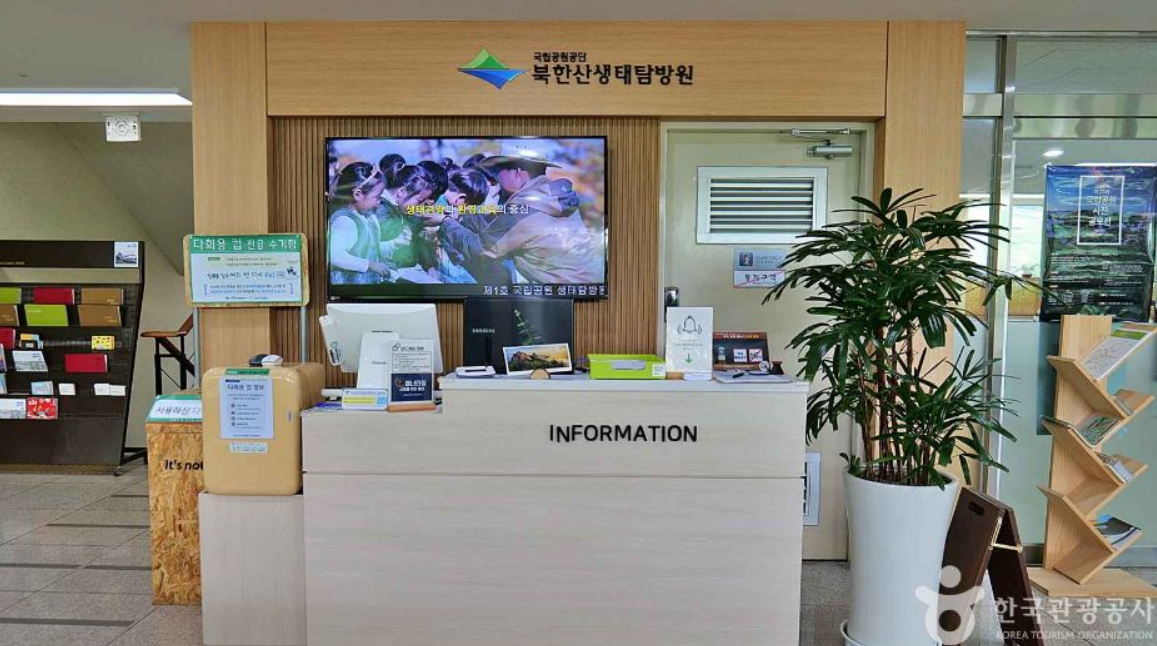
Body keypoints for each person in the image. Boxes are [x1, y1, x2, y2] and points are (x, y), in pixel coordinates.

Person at [327, 162, 393, 285]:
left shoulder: (368, 216)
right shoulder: (346, 221)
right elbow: (334, 255)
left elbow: (369, 247)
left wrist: (394, 244)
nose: (379, 201)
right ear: (357, 194)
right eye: (377, 196)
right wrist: (370, 265)